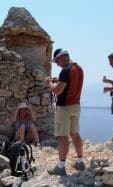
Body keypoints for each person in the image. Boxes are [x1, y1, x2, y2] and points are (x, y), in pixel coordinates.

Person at [46, 48, 85, 176]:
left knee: (63, 137)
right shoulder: (78, 68)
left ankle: (61, 167)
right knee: (75, 134)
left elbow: (57, 91)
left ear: (62, 58)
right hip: (76, 105)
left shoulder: (65, 70)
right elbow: (70, 84)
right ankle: (80, 161)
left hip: (64, 108)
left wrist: (50, 84)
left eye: (57, 61)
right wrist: (59, 81)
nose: (57, 64)